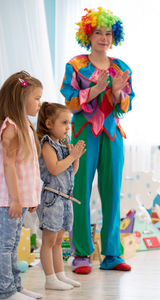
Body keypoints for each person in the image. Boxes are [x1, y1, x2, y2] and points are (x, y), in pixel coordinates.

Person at [60, 7, 134, 274]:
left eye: (108, 33)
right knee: (79, 190)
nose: (104, 37)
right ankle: (81, 253)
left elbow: (125, 107)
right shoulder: (76, 65)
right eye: (98, 32)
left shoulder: (122, 68)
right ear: (88, 35)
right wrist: (94, 90)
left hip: (112, 133)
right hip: (82, 132)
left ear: (114, 37)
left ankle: (112, 253)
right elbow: (69, 101)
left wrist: (115, 92)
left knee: (112, 192)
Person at [0, 71, 43, 300]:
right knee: (5, 246)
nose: (39, 103)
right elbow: (9, 166)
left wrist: (31, 198)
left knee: (13, 244)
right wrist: (16, 200)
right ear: (21, 97)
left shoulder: (25, 125)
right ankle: (5, 291)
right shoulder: (12, 128)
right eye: (36, 98)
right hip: (8, 201)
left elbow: (29, 168)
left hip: (21, 200)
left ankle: (15, 286)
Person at [36, 102, 86, 290]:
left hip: (65, 198)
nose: (68, 127)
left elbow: (72, 171)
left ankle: (60, 275)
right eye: (64, 122)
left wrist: (76, 157)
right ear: (49, 124)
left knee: (59, 241)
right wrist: (71, 156)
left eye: (69, 123)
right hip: (52, 198)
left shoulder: (63, 144)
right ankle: (50, 279)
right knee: (49, 241)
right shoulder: (48, 144)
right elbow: (54, 169)